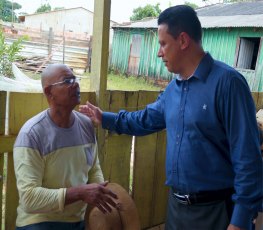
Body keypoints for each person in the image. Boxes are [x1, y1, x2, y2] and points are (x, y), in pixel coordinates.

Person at [79, 5, 263, 230]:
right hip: (177, 209)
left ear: (183, 41)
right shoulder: (173, 90)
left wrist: (241, 221)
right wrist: (105, 118)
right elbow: (145, 119)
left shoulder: (228, 84)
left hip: (216, 212)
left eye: (163, 43)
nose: (159, 52)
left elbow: (248, 159)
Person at [13, 64, 118, 230]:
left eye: (76, 79)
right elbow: (29, 198)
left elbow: (93, 169)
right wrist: (80, 193)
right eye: (67, 81)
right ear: (49, 92)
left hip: (77, 221)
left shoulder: (86, 125)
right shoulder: (32, 134)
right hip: (38, 222)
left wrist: (99, 196)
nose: (76, 84)